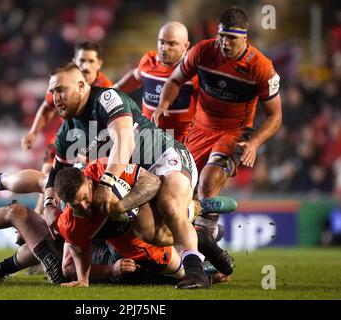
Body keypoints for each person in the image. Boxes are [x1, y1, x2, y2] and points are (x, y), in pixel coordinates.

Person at [42, 62, 212, 289]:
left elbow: (125, 141)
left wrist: (106, 182)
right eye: (53, 92)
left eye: (61, 89)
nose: (55, 97)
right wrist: (49, 203)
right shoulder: (66, 131)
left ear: (82, 86)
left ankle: (195, 274)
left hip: (164, 158)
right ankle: (195, 216)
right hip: (134, 177)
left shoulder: (106, 99)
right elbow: (57, 173)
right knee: (150, 233)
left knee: (169, 206)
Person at [154, 8, 282, 275]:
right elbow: (175, 79)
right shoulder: (203, 51)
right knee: (178, 191)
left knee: (208, 182)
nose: (225, 43)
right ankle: (209, 236)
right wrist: (162, 105)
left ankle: (202, 257)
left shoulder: (261, 67)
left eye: (231, 39)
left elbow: (275, 116)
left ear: (245, 38)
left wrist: (255, 143)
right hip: (199, 130)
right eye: (222, 36)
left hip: (235, 133)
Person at [54, 160, 233, 287]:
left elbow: (152, 181)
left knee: (154, 227)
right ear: (66, 204)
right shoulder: (69, 223)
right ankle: (203, 255)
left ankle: (196, 209)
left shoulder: (105, 170)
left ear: (88, 181)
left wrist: (121, 206)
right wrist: (85, 279)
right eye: (77, 205)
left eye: (85, 198)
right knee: (176, 272)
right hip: (122, 239)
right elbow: (74, 259)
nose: (85, 207)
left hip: (138, 210)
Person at [19, 41, 113, 215]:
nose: (85, 66)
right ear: (74, 62)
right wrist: (33, 132)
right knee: (48, 171)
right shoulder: (61, 85)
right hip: (65, 138)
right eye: (81, 61)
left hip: (93, 144)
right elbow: (47, 107)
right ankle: (41, 215)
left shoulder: (106, 90)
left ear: (99, 63)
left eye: (90, 61)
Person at [113, 21, 196, 142]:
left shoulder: (194, 70)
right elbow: (136, 76)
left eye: (172, 44)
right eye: (161, 42)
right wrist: (114, 89)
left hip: (181, 142)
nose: (164, 48)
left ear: (186, 45)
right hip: (147, 138)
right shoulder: (149, 61)